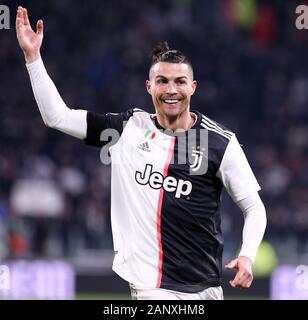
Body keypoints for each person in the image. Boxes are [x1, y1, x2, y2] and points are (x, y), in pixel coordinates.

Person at [16, 6, 267, 300]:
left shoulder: (219, 142)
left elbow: (255, 208)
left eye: (179, 81)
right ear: (149, 87)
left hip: (206, 289)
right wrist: (33, 58)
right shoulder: (127, 128)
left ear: (193, 87)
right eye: (162, 81)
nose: (171, 89)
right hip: (153, 288)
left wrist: (248, 255)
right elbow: (57, 117)